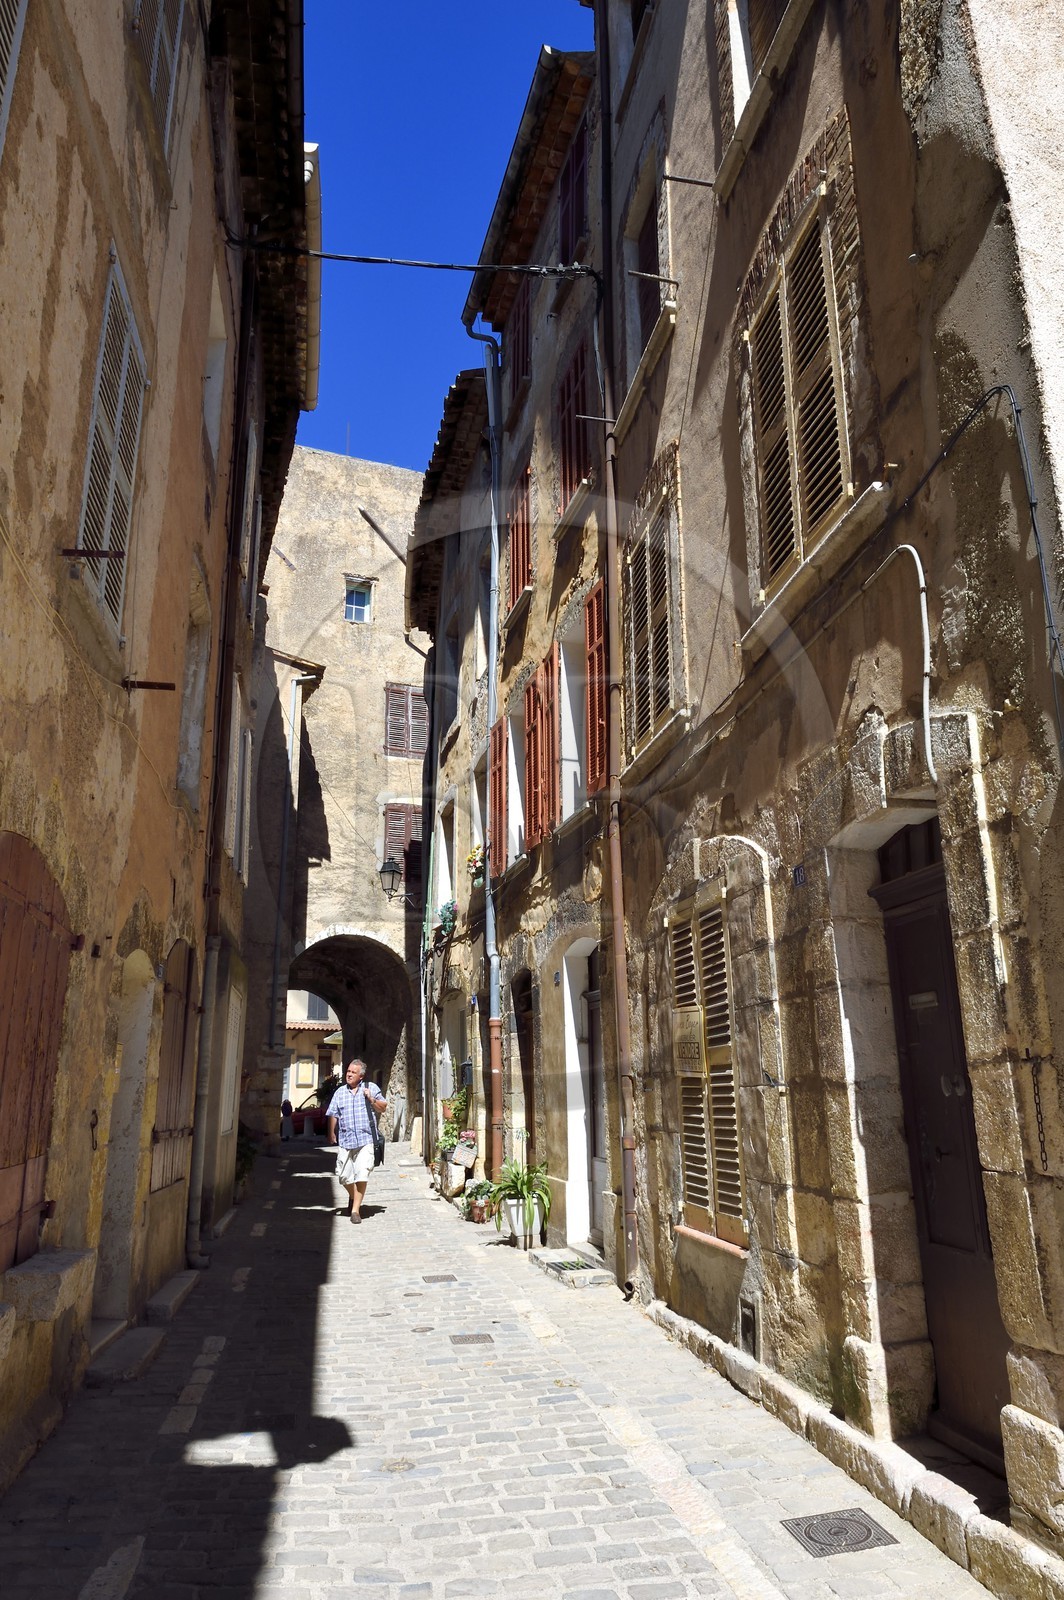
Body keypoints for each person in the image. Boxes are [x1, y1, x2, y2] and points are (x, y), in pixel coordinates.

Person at [325, 1058, 387, 1224]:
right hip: (346, 1140)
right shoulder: (340, 1092)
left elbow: (384, 1107)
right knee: (343, 1176)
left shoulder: (370, 1088)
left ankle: (355, 1211)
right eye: (348, 1071)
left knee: (362, 1173)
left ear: (361, 1076)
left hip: (366, 1139)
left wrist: (372, 1100)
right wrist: (331, 1132)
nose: (349, 1074)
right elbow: (333, 1113)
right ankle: (355, 1197)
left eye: (353, 1072)